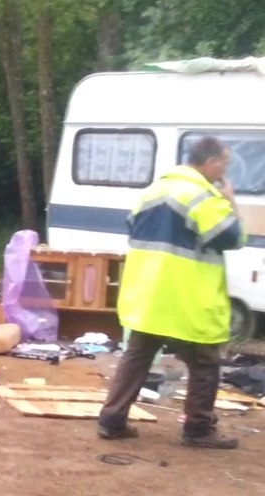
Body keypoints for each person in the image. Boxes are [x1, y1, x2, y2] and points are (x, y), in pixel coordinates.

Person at [98, 136, 246, 449]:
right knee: (205, 362)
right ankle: (198, 428)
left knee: (136, 357)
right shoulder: (202, 196)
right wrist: (230, 202)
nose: (225, 171)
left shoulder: (153, 191)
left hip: (148, 293)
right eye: (225, 164)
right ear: (211, 163)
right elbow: (232, 237)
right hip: (187, 296)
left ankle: (112, 420)